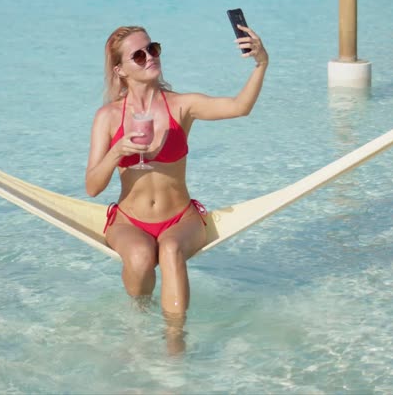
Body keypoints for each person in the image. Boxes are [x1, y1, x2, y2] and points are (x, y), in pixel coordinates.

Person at [85, 24, 268, 353]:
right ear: (120, 69)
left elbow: (240, 107)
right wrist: (117, 152)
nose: (150, 58)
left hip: (181, 219)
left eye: (153, 49)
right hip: (129, 220)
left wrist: (261, 64)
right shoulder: (108, 117)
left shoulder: (181, 105)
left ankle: (175, 349)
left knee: (169, 249)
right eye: (138, 56)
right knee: (141, 256)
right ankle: (139, 324)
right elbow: (92, 187)